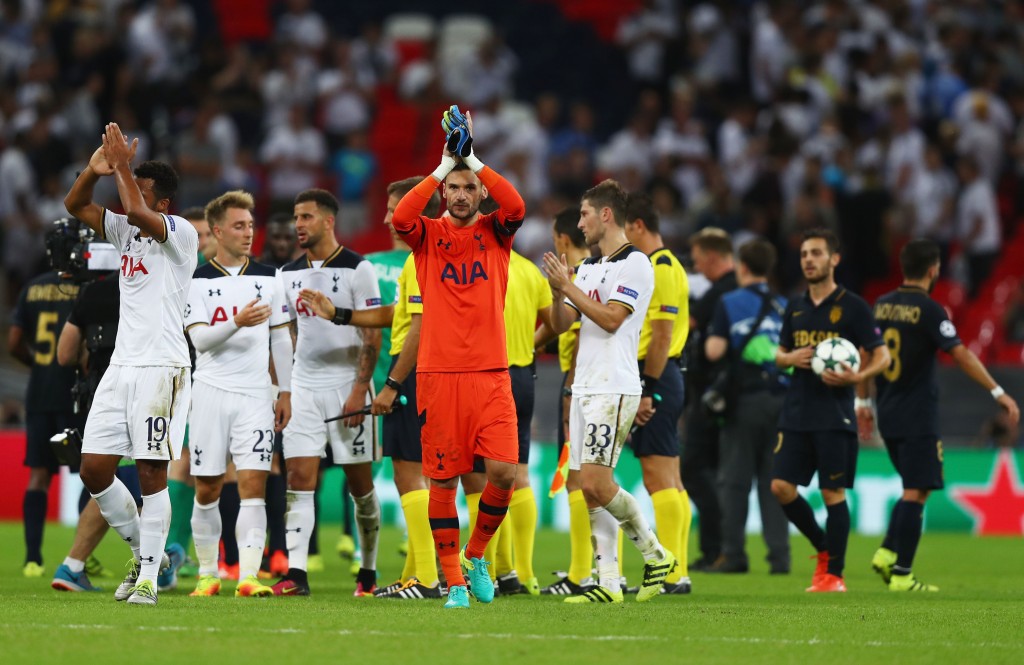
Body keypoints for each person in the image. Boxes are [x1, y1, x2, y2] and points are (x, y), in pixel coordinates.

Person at [388, 108, 525, 609]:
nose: (462, 195)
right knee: (442, 480)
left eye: (470, 187)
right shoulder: (426, 238)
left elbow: (518, 204)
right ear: (445, 193)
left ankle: (475, 554)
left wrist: (473, 159)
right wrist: (444, 167)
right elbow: (403, 215)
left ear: (480, 193)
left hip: (491, 373)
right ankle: (455, 583)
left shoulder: (497, 232)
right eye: (455, 188)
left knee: (504, 472)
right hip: (440, 374)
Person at [63, 122, 199, 605]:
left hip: (162, 366)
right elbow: (75, 206)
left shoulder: (179, 234)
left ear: (163, 202)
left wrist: (122, 166)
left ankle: (146, 578)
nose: (127, 198)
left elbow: (137, 210)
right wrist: (95, 169)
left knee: (150, 472)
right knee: (94, 469)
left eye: (139, 190)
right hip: (121, 367)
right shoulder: (124, 232)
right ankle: (151, 554)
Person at [542, 179, 676, 604]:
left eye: (583, 214)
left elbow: (613, 319)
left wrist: (570, 289)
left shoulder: (635, 264)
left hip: (614, 386)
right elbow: (561, 325)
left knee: (600, 483)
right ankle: (609, 582)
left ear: (605, 215)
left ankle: (656, 555)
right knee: (587, 488)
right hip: (584, 385)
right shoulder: (588, 269)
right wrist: (556, 286)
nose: (579, 223)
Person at [862, 239, 1020, 591]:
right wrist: (998, 391)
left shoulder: (881, 306)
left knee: (914, 487)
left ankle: (888, 550)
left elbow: (864, 356)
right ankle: (901, 573)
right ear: (933, 270)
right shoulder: (930, 310)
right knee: (918, 490)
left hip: (887, 412)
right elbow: (961, 355)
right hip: (917, 414)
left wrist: (862, 404)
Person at [274, 188, 388, 597]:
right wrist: (283, 390)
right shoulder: (286, 275)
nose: (298, 225)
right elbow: (285, 334)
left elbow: (371, 330)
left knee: (360, 487)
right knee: (299, 477)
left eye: (305, 217)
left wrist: (360, 389)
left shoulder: (359, 269)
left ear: (328, 221)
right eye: (296, 217)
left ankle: (369, 571)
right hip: (304, 386)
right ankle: (297, 574)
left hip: (347, 388)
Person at [182, 190, 293, 598]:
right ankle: (208, 573)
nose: (249, 233)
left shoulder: (270, 276)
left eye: (250, 225)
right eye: (239, 226)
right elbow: (201, 342)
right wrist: (238, 321)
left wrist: (285, 392)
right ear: (217, 231)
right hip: (209, 393)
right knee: (208, 488)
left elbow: (280, 338)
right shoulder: (194, 279)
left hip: (254, 396)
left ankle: (248, 576)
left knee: (253, 484)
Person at [772, 228, 890, 593]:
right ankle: (823, 547)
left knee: (832, 494)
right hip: (795, 412)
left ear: (833, 259)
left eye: (817, 253)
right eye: (805, 253)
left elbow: (882, 355)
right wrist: (789, 358)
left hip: (835, 415)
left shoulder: (853, 306)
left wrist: (859, 378)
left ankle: (833, 575)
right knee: (780, 487)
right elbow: (779, 356)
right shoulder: (794, 306)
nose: (808, 259)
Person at [369, 176, 443, 600]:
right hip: (432, 371)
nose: (386, 218)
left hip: (412, 373)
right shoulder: (437, 255)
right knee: (424, 477)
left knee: (408, 475)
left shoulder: (418, 259)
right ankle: (416, 573)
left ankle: (428, 579)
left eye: (393, 209)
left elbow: (417, 326)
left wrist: (393, 383)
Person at [466, 245, 552, 596]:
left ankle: (486, 567)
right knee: (517, 473)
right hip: (522, 376)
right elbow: (557, 321)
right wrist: (530, 345)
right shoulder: (531, 270)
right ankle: (520, 573)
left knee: (477, 476)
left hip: (484, 375)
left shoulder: (474, 266)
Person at [52, 271, 144, 592]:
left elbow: (64, 354)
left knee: (106, 479)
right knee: (140, 480)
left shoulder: (92, 292)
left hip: (100, 396)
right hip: (144, 391)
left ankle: (74, 565)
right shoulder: (159, 282)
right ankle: (151, 560)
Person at [704, 239, 791, 575]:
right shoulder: (785, 306)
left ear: (742, 267)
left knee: (735, 482)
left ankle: (734, 555)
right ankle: (780, 558)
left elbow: (714, 350)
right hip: (782, 401)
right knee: (775, 483)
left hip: (744, 402)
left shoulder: (730, 302)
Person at [623, 192, 693, 594]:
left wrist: (648, 387)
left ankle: (672, 572)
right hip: (665, 375)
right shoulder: (667, 265)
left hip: (658, 375)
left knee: (657, 477)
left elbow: (662, 332)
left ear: (638, 226)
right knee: (671, 478)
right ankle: (678, 570)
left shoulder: (661, 267)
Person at [8, 268, 81, 577]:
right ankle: (82, 556)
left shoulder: (32, 287)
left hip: (39, 395)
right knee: (90, 475)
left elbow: (13, 343)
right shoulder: (84, 287)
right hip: (74, 394)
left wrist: (39, 366)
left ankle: (33, 558)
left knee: (38, 476)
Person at [537, 207, 594, 596]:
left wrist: (570, 388)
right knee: (590, 478)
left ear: (562, 240)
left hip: (581, 384)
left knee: (582, 479)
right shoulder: (595, 272)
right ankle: (594, 568)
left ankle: (583, 573)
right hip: (590, 383)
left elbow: (573, 337)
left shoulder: (580, 276)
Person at [683, 228, 736, 570]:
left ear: (713, 257)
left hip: (713, 393)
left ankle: (718, 547)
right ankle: (723, 548)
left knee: (693, 467)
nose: (696, 263)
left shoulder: (719, 294)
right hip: (728, 393)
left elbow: (686, 325)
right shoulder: (735, 291)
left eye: (699, 257)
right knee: (715, 472)